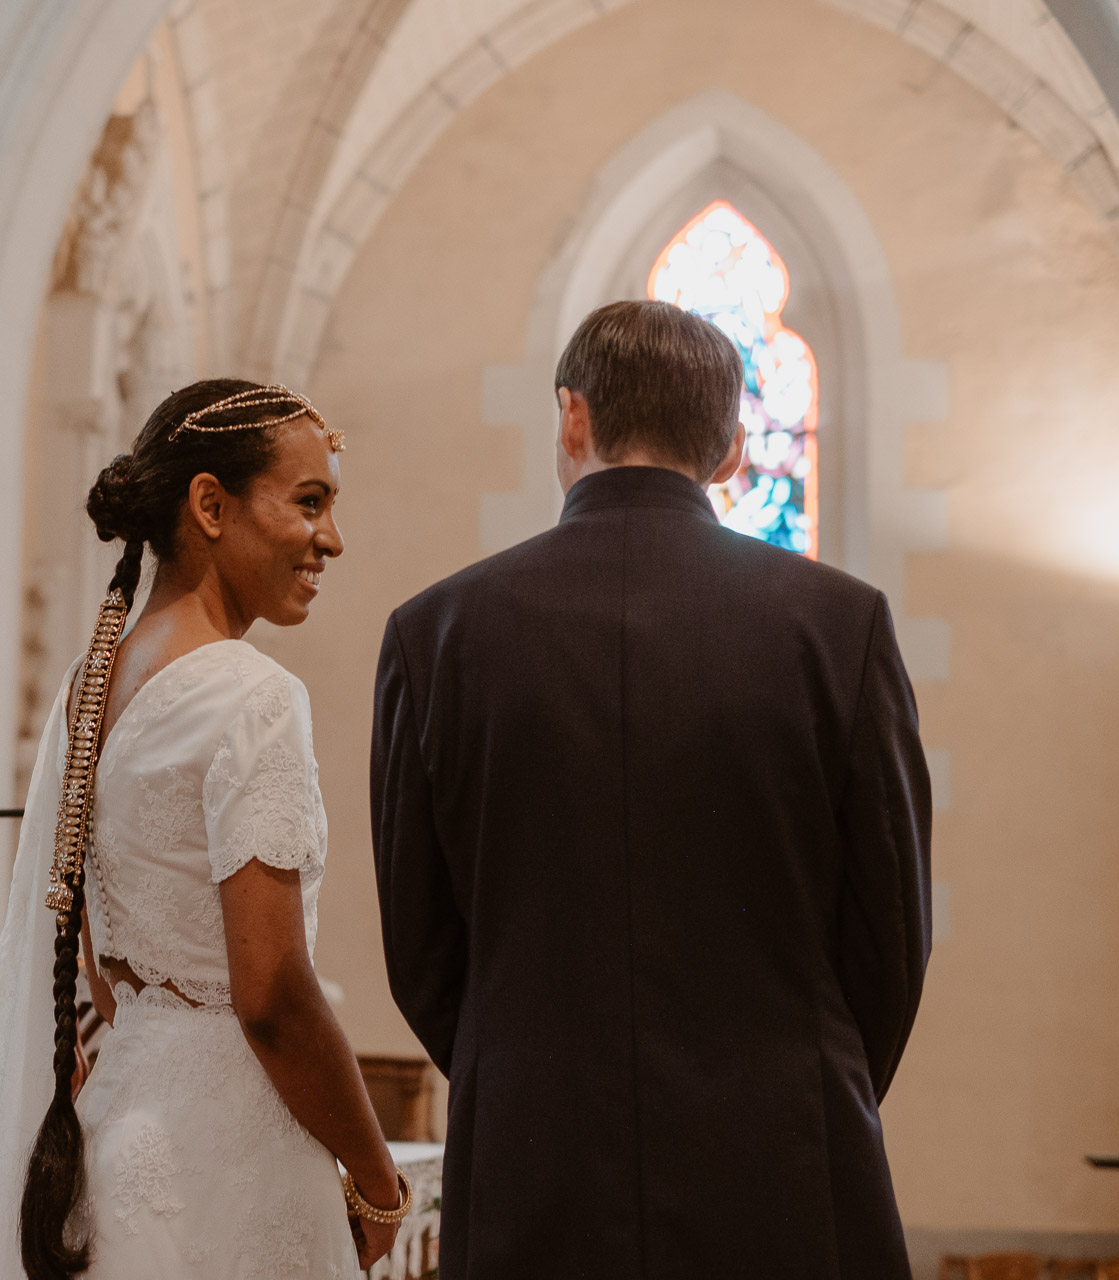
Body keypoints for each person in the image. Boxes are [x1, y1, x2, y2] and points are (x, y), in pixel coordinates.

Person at [371, 300, 932, 1278]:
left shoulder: (436, 633)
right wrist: (802, 1069)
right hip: (784, 1158)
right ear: (726, 451)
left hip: (531, 1159)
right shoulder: (837, 626)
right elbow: (888, 927)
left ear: (570, 417)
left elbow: (420, 947)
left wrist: (527, 1066)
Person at [0, 380, 405, 1280]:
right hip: (230, 1161)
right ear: (210, 505)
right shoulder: (253, 694)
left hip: (119, 1132)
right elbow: (272, 996)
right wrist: (377, 1174)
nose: (332, 539)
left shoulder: (92, 682)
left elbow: (101, 965)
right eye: (309, 503)